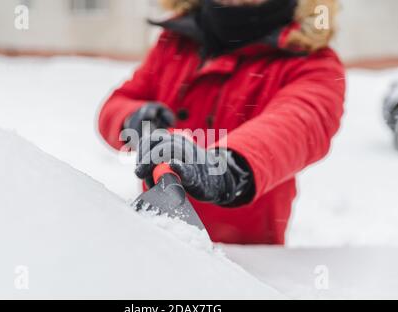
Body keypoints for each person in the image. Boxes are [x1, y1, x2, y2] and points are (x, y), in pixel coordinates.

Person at [99, 0, 345, 245]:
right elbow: (119, 103)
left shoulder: (311, 62)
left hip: (247, 263)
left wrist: (227, 166)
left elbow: (297, 123)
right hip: (159, 243)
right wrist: (136, 119)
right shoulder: (176, 42)